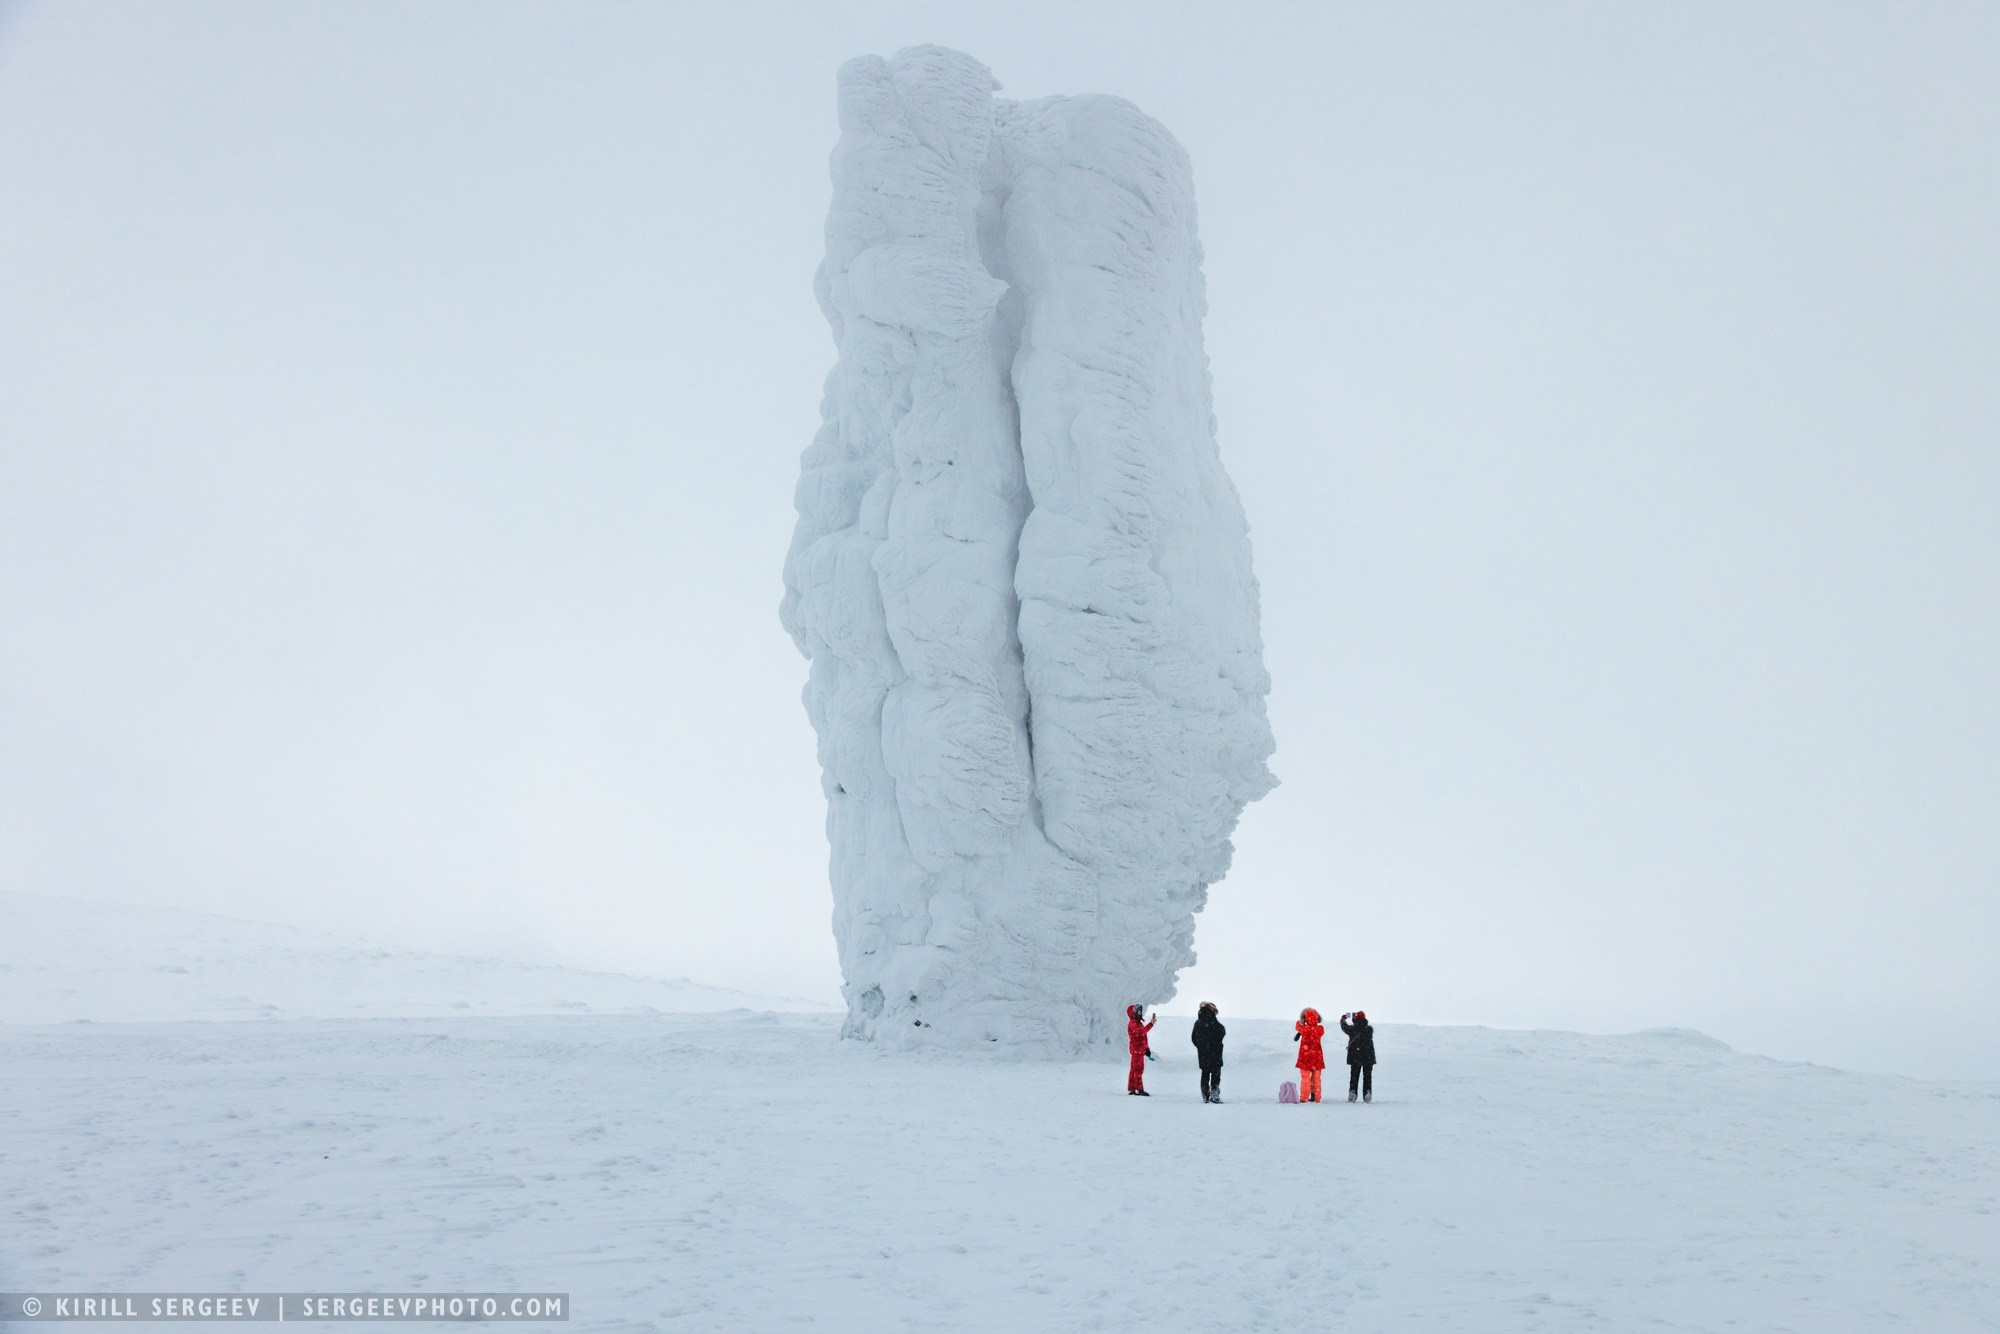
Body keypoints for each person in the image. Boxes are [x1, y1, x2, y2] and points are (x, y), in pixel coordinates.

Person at [1190, 1002, 1226, 1103]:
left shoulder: (1198, 1022)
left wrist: (1201, 1047)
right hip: (1215, 1052)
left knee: (1204, 1073)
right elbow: (1221, 1031)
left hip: (1203, 1054)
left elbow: (1193, 1038)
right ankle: (1214, 1094)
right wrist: (1216, 1044)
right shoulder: (1213, 1020)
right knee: (1215, 1074)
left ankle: (1205, 1094)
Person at [1292, 1007, 1327, 1102]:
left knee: (1305, 1078)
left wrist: (1302, 1019)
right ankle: (1316, 1097)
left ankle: (1304, 1098)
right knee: (1316, 1078)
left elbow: (1297, 1024)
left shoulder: (1304, 1029)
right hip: (1317, 1057)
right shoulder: (1320, 1029)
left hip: (1305, 1056)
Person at [1341, 1010, 1376, 1103]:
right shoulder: (1369, 1029)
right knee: (1367, 1076)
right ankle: (1367, 1094)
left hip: (1355, 1056)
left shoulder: (1353, 1029)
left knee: (1354, 1076)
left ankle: (1353, 1093)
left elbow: (1345, 1028)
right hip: (1368, 1056)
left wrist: (1342, 1020)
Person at [1126, 1004, 1156, 1096]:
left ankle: (1132, 1088)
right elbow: (1141, 1032)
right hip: (1136, 1050)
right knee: (1138, 1069)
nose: (1139, 1013)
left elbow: (1143, 1037)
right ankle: (1139, 1089)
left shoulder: (1138, 1022)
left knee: (1134, 1069)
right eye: (1137, 1011)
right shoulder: (1133, 1023)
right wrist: (1151, 1024)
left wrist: (1147, 1049)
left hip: (1139, 1049)